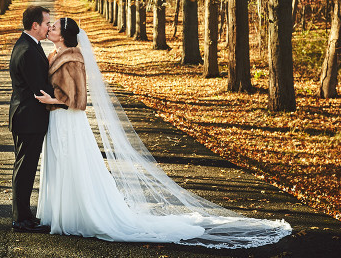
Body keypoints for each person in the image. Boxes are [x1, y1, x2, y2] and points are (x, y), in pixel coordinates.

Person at [35, 17, 292, 248]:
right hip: (57, 122)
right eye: (51, 25)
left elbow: (79, 100)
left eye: (54, 27)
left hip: (68, 122)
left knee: (73, 165)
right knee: (61, 165)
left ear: (64, 35)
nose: (50, 28)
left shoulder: (74, 58)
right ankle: (61, 213)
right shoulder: (55, 54)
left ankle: (76, 216)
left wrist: (53, 102)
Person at [8, 5, 61, 233]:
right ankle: (21, 220)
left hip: (26, 117)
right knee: (25, 168)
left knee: (25, 167)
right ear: (35, 25)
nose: (49, 26)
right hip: (28, 119)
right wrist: (64, 92)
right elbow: (40, 89)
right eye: (47, 23)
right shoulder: (28, 50)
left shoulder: (30, 45)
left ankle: (24, 215)